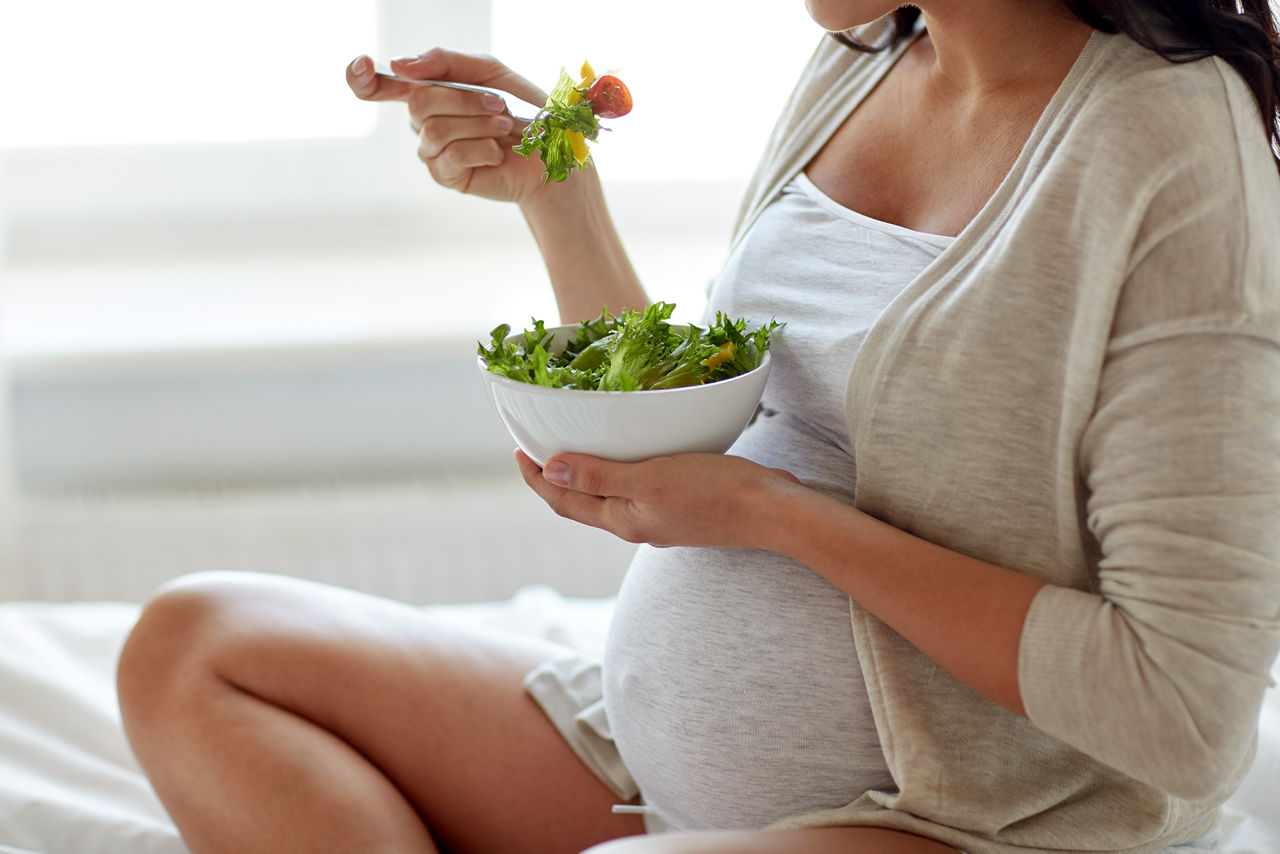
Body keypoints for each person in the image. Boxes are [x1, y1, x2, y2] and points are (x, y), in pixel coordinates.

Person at [115, 1, 1280, 852]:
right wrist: (558, 199)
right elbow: (727, 437)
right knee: (196, 645)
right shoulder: (866, 56)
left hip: (967, 820)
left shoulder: (1168, 151)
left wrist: (779, 520)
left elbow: (1181, 710)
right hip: (647, 757)